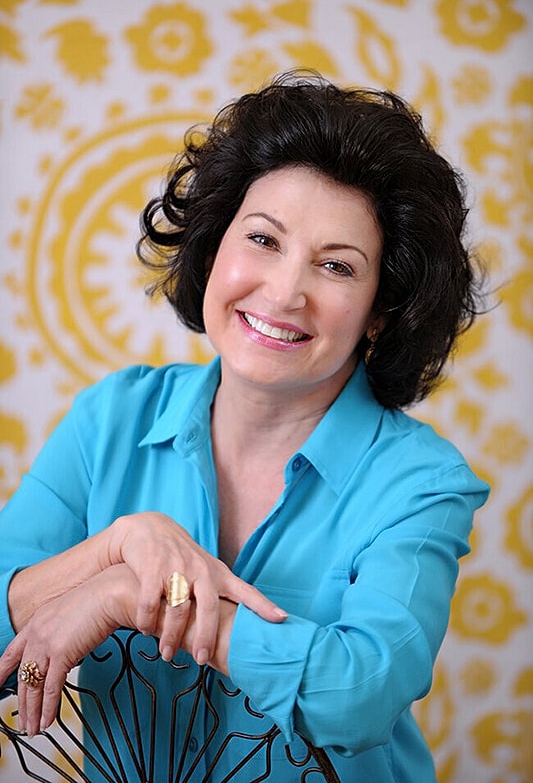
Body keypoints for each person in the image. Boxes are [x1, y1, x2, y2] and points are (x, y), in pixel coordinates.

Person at [0, 70, 489, 782]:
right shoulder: (111, 416)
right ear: (213, 246)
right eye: (263, 240)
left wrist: (125, 595)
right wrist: (118, 546)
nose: (286, 291)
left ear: (381, 310)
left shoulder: (419, 482)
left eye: (335, 265)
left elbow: (363, 695)